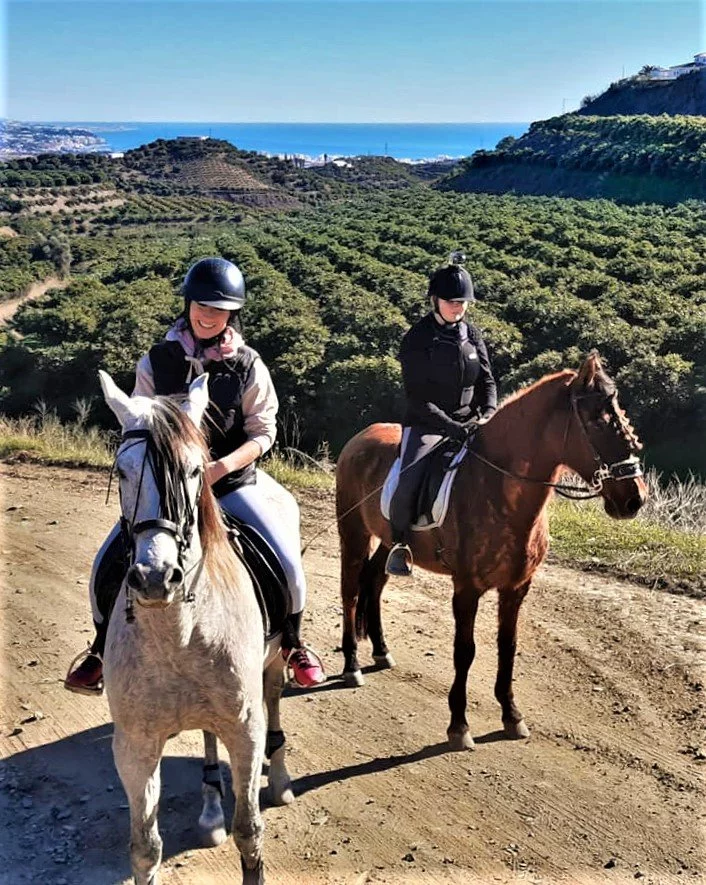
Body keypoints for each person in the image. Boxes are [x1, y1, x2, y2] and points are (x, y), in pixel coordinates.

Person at [65, 257, 326, 693]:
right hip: (169, 489)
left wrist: (221, 466)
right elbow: (139, 420)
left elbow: (264, 433)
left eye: (220, 309)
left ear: (232, 314)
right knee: (106, 563)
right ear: (188, 304)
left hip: (229, 483)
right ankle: (98, 649)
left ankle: (294, 644)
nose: (209, 315)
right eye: (202, 305)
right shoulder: (156, 360)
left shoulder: (248, 365)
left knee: (286, 564)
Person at [386, 253, 498, 577]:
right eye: (451, 301)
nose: (458, 307)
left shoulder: (472, 334)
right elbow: (417, 398)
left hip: (470, 420)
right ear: (435, 300)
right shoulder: (417, 338)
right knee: (410, 477)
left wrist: (488, 411)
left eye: (463, 302)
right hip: (427, 424)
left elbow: (487, 379)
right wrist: (450, 427)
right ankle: (400, 543)